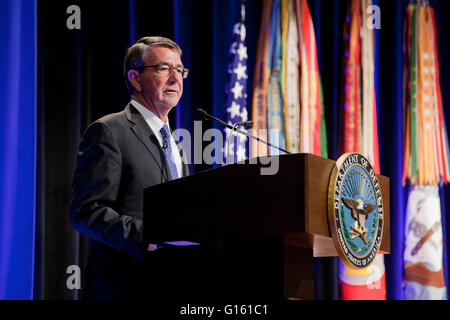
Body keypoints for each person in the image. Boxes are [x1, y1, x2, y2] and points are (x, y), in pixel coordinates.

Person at [70, 36, 200, 300]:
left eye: (180, 70)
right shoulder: (109, 131)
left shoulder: (176, 142)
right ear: (135, 78)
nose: (175, 78)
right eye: (164, 68)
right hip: (121, 287)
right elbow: (86, 211)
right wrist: (152, 236)